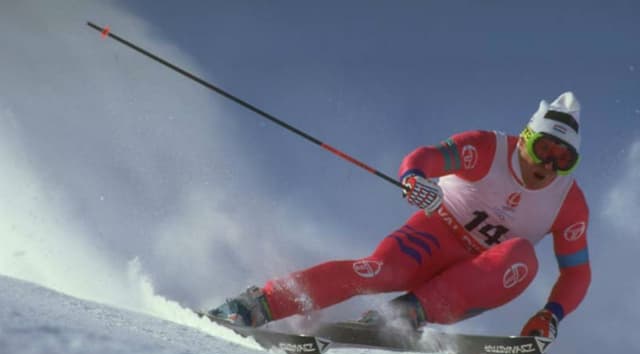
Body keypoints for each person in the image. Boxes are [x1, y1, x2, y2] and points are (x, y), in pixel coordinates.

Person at [210, 91, 591, 341]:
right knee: (375, 271)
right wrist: (413, 178)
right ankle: (255, 306)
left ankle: (404, 316)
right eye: (544, 148)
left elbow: (576, 271)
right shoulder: (488, 148)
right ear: (525, 139)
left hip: (480, 273)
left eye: (563, 159)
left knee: (522, 255)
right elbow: (424, 157)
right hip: (433, 236)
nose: (549, 164)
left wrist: (551, 316)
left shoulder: (568, 203)